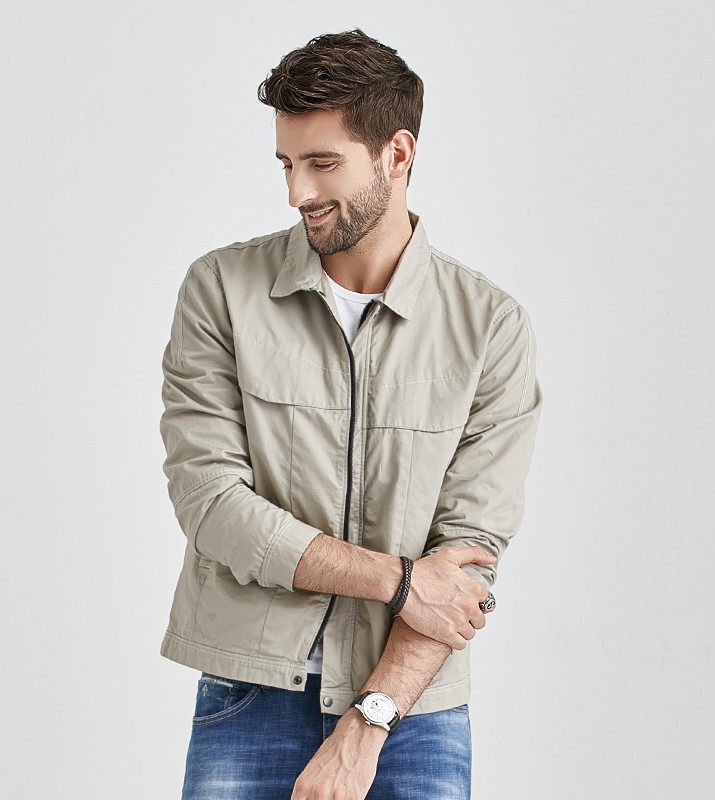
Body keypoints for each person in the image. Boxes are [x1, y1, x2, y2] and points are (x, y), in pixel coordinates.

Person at [158, 28, 543, 800]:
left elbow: (467, 560)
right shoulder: (221, 291)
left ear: (397, 153)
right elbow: (212, 505)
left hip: (413, 710)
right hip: (250, 697)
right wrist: (400, 580)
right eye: (286, 164)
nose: (296, 192)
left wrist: (369, 721)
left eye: (322, 163)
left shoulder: (490, 327)